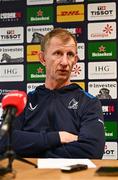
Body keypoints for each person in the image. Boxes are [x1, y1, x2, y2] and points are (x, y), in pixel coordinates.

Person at [0, 28, 105, 158]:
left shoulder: (89, 103)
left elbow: (92, 150)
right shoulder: (25, 102)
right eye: (58, 53)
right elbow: (4, 142)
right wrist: (58, 137)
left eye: (70, 55)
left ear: (75, 60)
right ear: (43, 58)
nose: (65, 62)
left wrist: (33, 152)